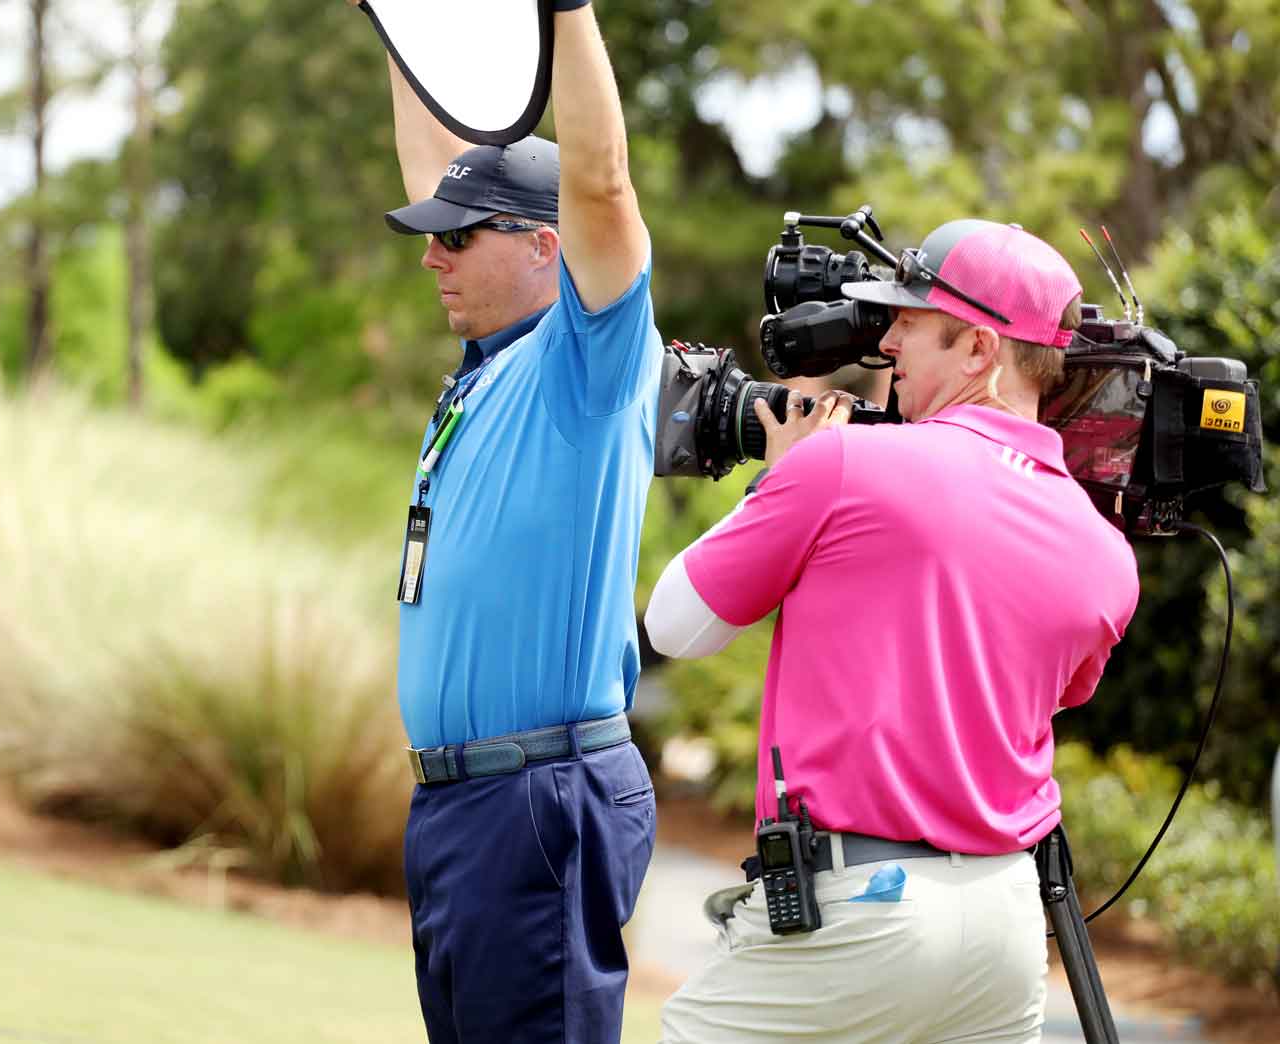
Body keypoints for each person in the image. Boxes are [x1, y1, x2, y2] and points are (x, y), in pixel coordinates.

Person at [646, 219, 1141, 1043]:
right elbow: (1043, 696)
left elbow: (674, 624)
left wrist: (778, 479)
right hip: (1006, 928)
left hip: (859, 913)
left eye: (911, 321)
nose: (889, 337)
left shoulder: (841, 467)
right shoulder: (1106, 552)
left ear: (980, 350)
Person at [355, 2, 664, 1039]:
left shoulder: (585, 362)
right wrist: (391, 23)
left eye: (458, 240)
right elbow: (432, 167)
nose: (431, 257)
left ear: (544, 247)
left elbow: (601, 181)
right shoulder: (490, 367)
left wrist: (566, 13)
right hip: (463, 807)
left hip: (542, 797)